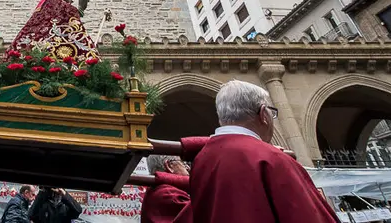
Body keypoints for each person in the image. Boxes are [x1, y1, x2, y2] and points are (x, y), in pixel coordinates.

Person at [179, 80, 339, 223]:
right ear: (263, 114)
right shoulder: (273, 158)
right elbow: (307, 216)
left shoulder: (202, 159)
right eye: (272, 112)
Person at [10, 0, 98, 63]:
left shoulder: (53, 1)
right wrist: (80, 9)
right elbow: (67, 12)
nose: (72, 0)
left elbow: (64, 20)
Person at [141, 137, 208, 223]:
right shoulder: (166, 194)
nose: (188, 168)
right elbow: (201, 215)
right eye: (183, 163)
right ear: (170, 166)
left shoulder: (160, 190)